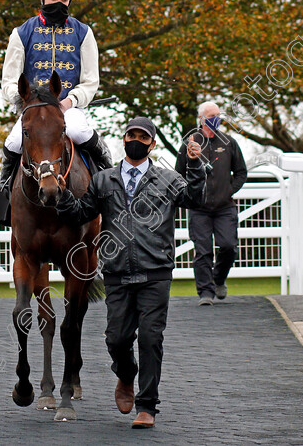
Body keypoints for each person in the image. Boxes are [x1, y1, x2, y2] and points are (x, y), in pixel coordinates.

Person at [56, 117, 205, 429]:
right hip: (118, 273)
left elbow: (194, 198)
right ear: (123, 139)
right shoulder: (103, 180)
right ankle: (126, 374)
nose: (135, 140)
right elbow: (82, 214)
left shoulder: (168, 179)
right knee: (117, 339)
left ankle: (147, 406)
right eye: (131, 135)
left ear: (152, 144)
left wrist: (193, 165)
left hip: (156, 272)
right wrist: (62, 194)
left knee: (151, 337)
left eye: (142, 136)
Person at [0, 0, 112, 226]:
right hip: (33, 109)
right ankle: (4, 195)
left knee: (80, 132)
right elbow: (9, 81)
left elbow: (91, 81)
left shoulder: (83, 32)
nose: (59, 2)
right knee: (13, 143)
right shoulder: (22, 33)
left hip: (68, 107)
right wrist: (24, 102)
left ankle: (108, 181)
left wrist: (71, 101)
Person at [175, 101, 247, 306]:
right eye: (212, 115)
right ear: (202, 119)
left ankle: (219, 279)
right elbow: (178, 175)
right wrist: (190, 195)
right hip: (199, 209)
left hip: (225, 207)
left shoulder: (229, 142)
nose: (217, 118)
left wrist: (229, 190)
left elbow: (241, 172)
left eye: (218, 115)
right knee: (203, 250)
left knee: (229, 246)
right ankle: (205, 292)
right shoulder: (190, 144)